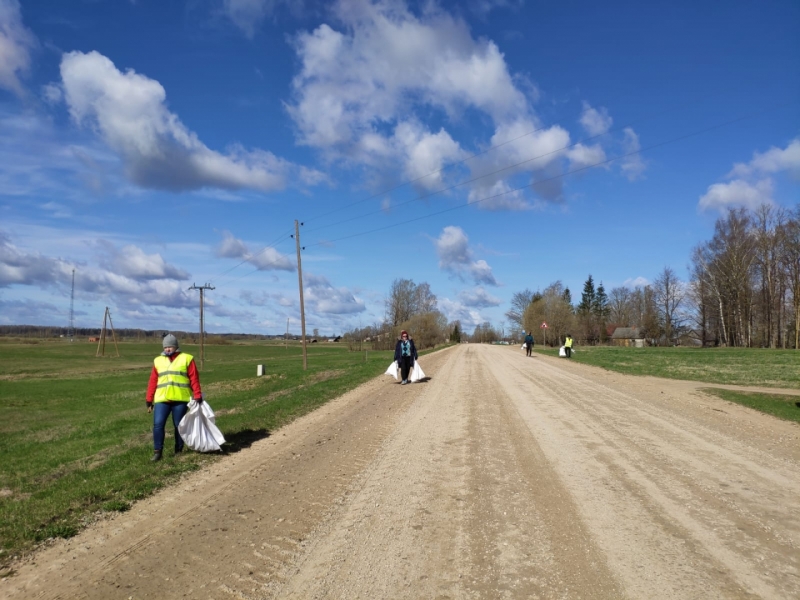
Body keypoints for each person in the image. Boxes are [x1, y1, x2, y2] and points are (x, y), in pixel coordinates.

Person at [146, 333, 203, 461]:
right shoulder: (158, 361)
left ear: (176, 347)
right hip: (162, 399)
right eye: (165, 347)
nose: (167, 349)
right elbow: (152, 381)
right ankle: (157, 452)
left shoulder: (187, 358)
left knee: (179, 425)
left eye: (170, 347)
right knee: (158, 425)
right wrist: (149, 399)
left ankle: (178, 450)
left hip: (180, 399)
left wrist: (197, 394)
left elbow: (194, 378)